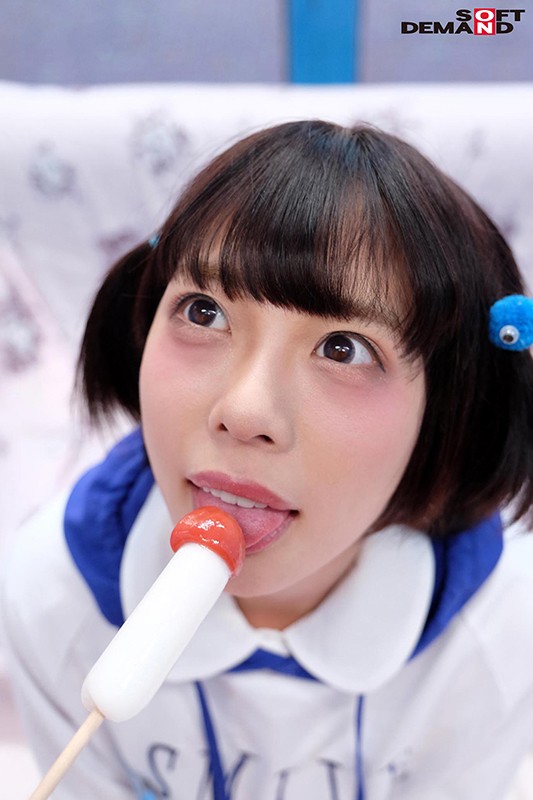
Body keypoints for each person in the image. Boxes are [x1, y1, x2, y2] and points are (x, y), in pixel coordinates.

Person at [2, 120, 533, 800]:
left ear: (448, 414)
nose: (244, 411)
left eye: (343, 349)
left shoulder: (498, 631)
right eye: (203, 312)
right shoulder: (53, 597)